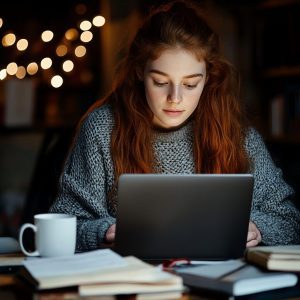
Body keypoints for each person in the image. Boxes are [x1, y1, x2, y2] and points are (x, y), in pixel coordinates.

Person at [50, 0, 300, 251]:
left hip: (217, 278)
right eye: (160, 82)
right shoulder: (102, 130)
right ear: (139, 71)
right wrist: (104, 232)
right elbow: (67, 226)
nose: (176, 98)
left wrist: (257, 228)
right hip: (133, 280)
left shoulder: (236, 134)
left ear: (208, 77)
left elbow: (289, 220)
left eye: (191, 84)